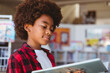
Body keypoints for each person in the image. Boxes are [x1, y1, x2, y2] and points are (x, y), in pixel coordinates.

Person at [6, 0, 62, 73]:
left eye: (51, 29)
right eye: (44, 27)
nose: (49, 32)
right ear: (28, 27)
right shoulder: (17, 58)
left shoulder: (49, 56)